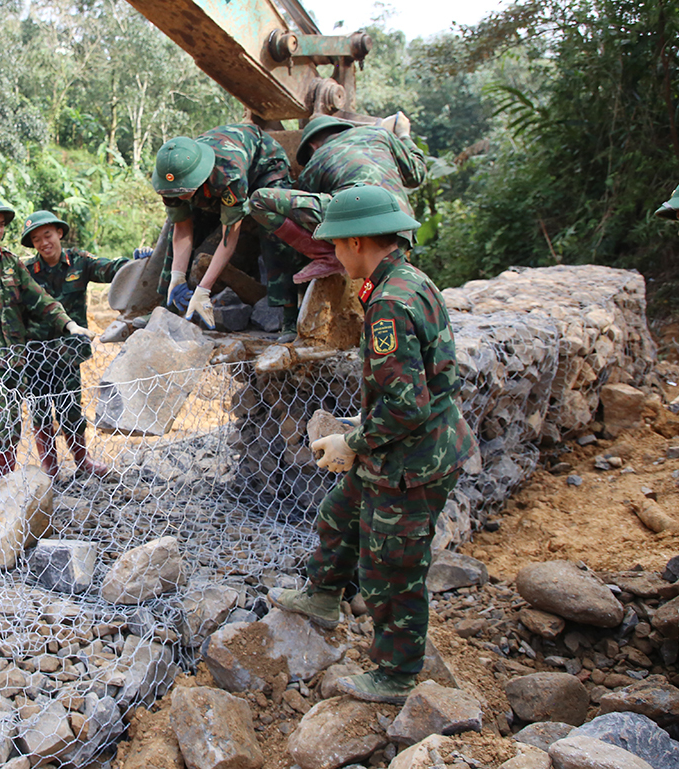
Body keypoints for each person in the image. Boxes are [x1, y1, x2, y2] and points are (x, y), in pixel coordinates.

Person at [268, 185, 478, 705]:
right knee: (339, 513)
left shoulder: (388, 304)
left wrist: (353, 441)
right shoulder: (409, 280)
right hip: (408, 447)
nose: (334, 255)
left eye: (336, 245)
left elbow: (408, 405)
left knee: (391, 569)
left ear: (357, 242)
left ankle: (396, 674)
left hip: (412, 462)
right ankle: (323, 595)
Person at [0, 194, 93, 482]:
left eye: (1, 224)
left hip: (16, 355)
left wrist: (69, 324)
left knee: (23, 414)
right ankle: (3, 481)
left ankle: (19, 480)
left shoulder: (11, 262)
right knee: (5, 415)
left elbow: (39, 299)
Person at [19, 210, 147, 477]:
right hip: (36, 354)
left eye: (47, 235)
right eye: (36, 239)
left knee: (70, 409)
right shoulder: (27, 271)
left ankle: (82, 461)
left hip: (67, 353)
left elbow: (111, 269)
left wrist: (138, 261)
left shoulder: (79, 261)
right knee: (40, 411)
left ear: (59, 233)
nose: (43, 243)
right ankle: (50, 467)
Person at [151, 124, 300, 337]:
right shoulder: (170, 180)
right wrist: (177, 275)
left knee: (274, 225)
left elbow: (229, 237)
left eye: (184, 190)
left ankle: (290, 316)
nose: (180, 197)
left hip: (264, 165)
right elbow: (182, 228)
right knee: (177, 227)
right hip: (209, 180)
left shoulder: (229, 175)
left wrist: (204, 289)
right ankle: (167, 308)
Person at [250, 113, 427, 291]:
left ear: (312, 146)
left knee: (259, 200)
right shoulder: (380, 135)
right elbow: (417, 175)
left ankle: (328, 256)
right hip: (401, 227)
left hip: (357, 224)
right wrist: (404, 134)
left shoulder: (316, 160)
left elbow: (303, 217)